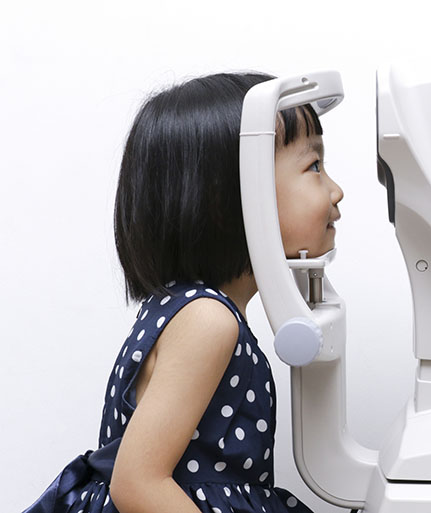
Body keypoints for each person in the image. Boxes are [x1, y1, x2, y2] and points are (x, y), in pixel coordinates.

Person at [23, 71, 343, 513]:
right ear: (233, 194)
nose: (336, 191)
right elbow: (138, 484)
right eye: (314, 167)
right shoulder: (207, 320)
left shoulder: (191, 310)